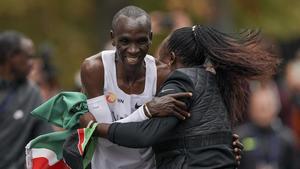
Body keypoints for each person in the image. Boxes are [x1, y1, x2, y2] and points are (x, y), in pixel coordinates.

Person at [80, 25, 279, 168]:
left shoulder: (182, 81)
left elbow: (144, 134)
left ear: (172, 59)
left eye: (159, 60)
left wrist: (95, 128)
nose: (155, 67)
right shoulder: (216, 81)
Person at [0, 31, 52, 169]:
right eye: (28, 57)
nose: (32, 64)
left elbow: (45, 140)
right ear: (11, 56)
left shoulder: (32, 94)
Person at [236, 81, 297, 169]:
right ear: (251, 109)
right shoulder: (240, 137)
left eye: (267, 106)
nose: (264, 112)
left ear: (276, 108)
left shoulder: (287, 138)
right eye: (260, 107)